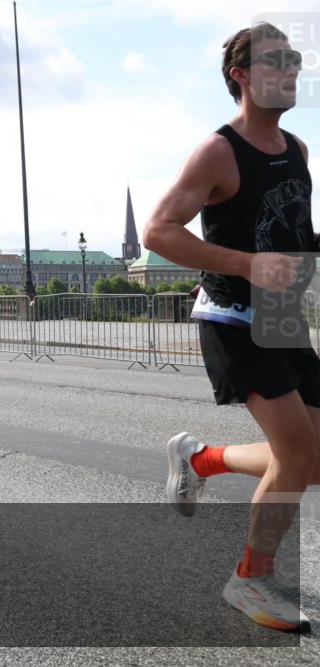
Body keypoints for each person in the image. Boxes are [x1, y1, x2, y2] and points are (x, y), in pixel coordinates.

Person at [144, 22, 316, 633]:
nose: (290, 70)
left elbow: (292, 235)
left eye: (294, 59)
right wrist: (246, 265)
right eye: (275, 60)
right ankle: (250, 578)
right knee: (297, 452)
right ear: (241, 75)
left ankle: (202, 459)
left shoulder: (296, 149)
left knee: (312, 458)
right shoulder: (219, 151)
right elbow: (158, 232)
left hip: (283, 317)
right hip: (233, 317)